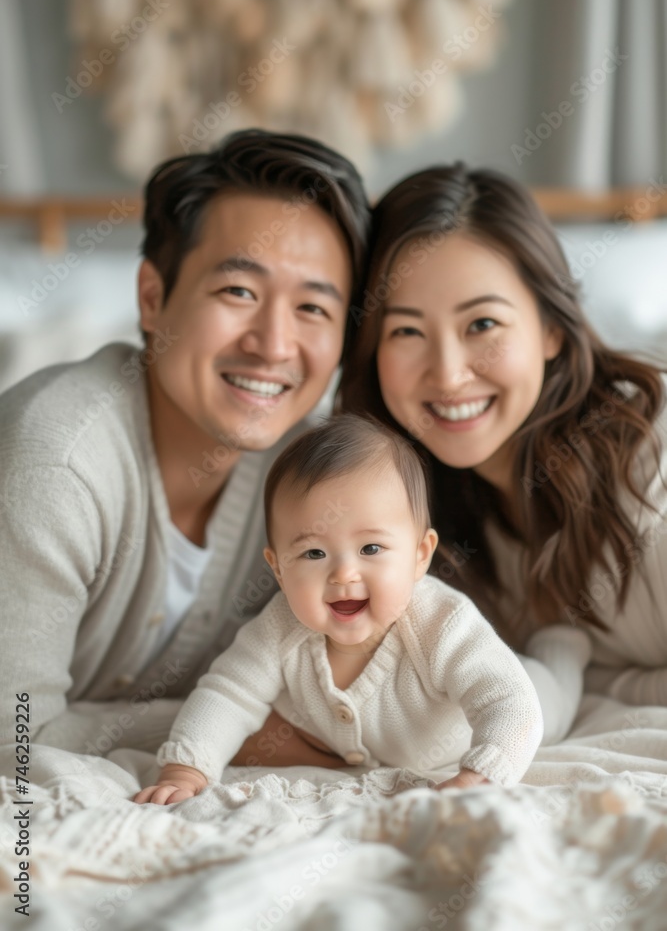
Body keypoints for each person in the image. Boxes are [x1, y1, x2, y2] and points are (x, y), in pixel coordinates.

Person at [0, 129, 370, 766]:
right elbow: (12, 734)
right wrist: (237, 732)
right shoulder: (55, 465)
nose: (275, 345)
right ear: (152, 298)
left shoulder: (311, 480)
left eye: (312, 307)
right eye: (239, 292)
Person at [340, 163, 667, 725]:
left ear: (551, 328)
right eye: (407, 331)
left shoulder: (647, 458)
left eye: (482, 324)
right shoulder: (422, 517)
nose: (447, 375)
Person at [134, 414, 545, 805]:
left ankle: (563, 651)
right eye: (313, 552)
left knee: (548, 683)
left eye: (371, 548)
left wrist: (479, 777)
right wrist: (185, 770)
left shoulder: (442, 623)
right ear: (277, 568)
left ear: (420, 555)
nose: (344, 574)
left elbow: (512, 704)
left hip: (526, 692)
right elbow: (228, 694)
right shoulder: (281, 626)